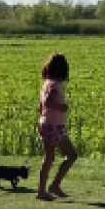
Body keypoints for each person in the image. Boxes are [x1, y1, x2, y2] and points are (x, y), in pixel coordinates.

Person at [36, 52, 77, 201]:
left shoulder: (46, 83)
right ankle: (53, 186)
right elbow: (47, 102)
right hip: (53, 126)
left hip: (46, 123)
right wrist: (61, 107)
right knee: (72, 155)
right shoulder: (55, 85)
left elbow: (41, 107)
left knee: (49, 158)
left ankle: (43, 190)